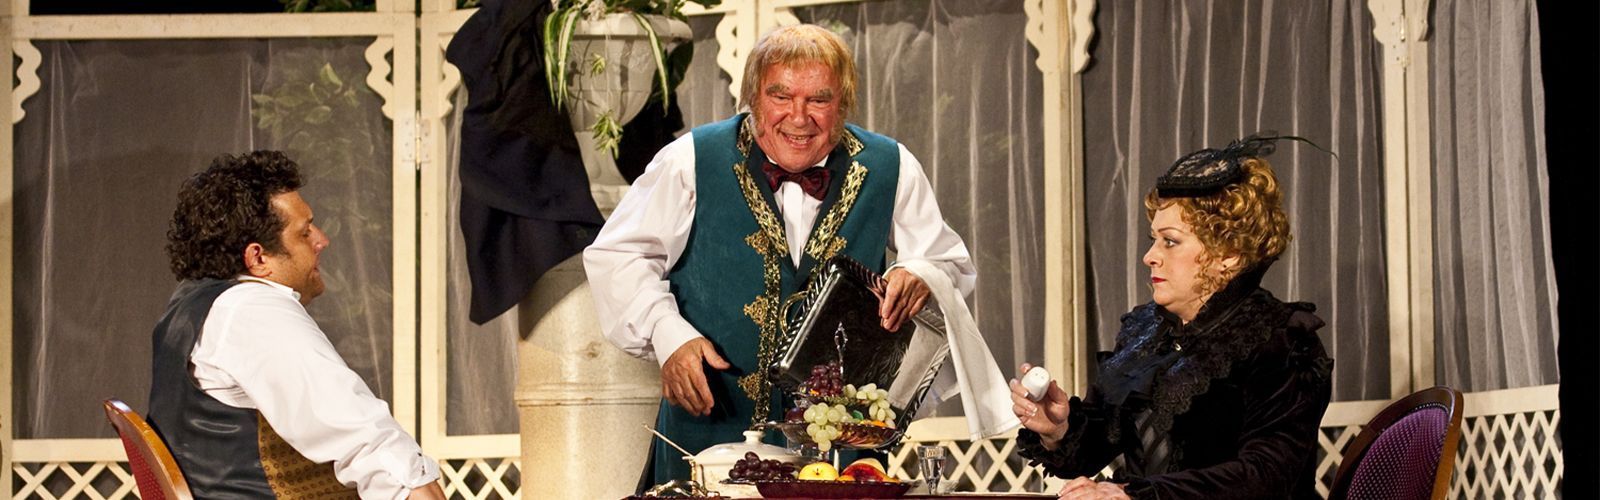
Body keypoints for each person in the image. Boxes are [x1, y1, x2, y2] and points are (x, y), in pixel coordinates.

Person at [584, 24, 977, 484]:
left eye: (819, 99)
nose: (799, 117)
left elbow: (948, 263)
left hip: (838, 451)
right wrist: (667, 333)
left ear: (844, 104)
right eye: (781, 96)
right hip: (708, 435)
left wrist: (920, 272)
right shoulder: (690, 159)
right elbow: (619, 255)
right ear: (752, 97)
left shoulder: (891, 165)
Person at [1009, 135, 1334, 499]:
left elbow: (1266, 476)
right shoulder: (1146, 333)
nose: (1150, 256)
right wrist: (1058, 429)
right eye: (1154, 239)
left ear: (1228, 253)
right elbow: (1095, 448)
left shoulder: (1280, 341)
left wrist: (1136, 495)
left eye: (1170, 241)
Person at [150, 151, 445, 499]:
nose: (322, 240)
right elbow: (364, 437)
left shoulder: (191, 304)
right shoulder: (253, 311)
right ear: (258, 257)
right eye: (304, 232)